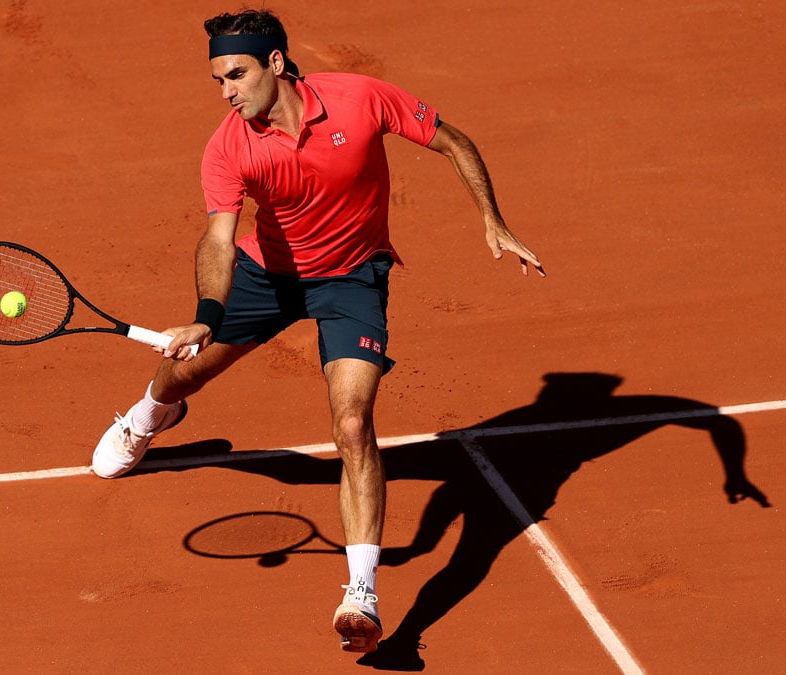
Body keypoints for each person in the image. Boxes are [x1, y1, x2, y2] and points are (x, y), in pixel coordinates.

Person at [91, 8, 544, 655]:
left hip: (352, 280)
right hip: (267, 274)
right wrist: (208, 315)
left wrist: (493, 219)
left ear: (276, 63)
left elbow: (452, 140)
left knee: (353, 424)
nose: (228, 91)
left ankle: (362, 592)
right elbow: (219, 237)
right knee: (185, 372)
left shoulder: (359, 98)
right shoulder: (230, 145)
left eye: (237, 74)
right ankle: (147, 416)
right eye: (219, 79)